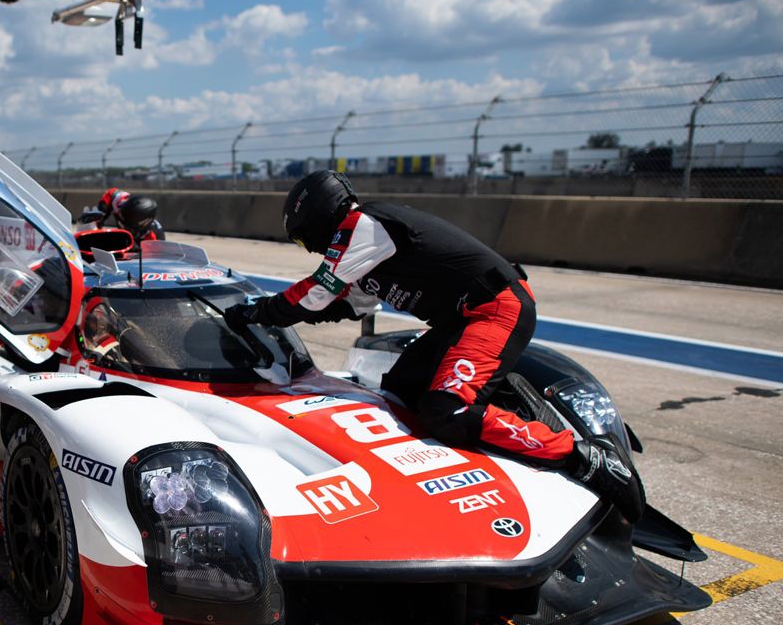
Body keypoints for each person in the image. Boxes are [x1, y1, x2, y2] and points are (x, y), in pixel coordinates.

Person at [224, 170, 645, 521]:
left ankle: (581, 455)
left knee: (448, 411)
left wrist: (260, 311)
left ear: (315, 219)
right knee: (402, 392)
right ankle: (493, 419)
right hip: (463, 318)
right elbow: (346, 304)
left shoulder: (362, 225)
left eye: (303, 240)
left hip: (494, 308)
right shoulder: (367, 249)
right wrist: (283, 314)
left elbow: (316, 291)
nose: (309, 248)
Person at [79, 189, 165, 246]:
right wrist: (99, 218)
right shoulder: (119, 202)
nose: (121, 218)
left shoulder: (154, 238)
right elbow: (111, 193)